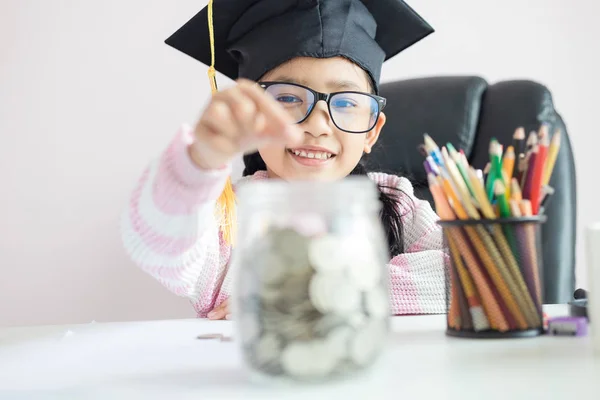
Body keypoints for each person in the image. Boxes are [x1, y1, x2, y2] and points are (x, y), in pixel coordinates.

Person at [121, 0, 448, 320]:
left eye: (346, 103)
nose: (318, 125)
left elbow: (472, 269)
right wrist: (199, 162)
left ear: (371, 133)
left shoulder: (395, 202)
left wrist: (317, 293)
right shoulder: (230, 216)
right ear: (254, 114)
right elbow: (158, 246)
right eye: (289, 97)